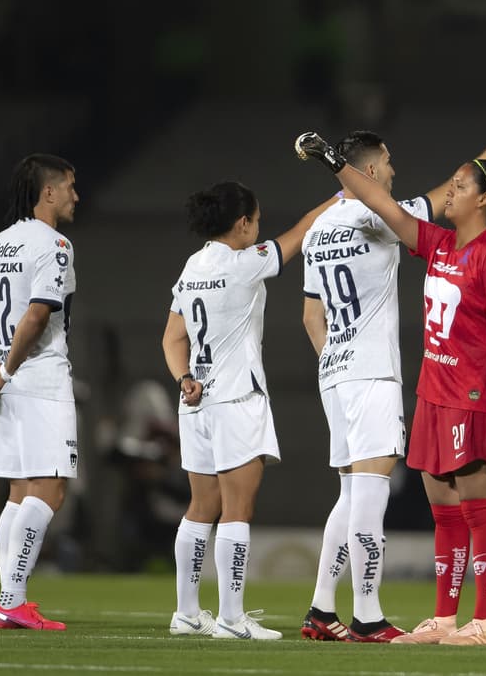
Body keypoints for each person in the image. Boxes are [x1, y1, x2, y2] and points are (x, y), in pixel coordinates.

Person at [298, 118, 486, 643]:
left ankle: (327, 610)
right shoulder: (412, 231)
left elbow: (312, 318)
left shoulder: (322, 229)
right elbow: (402, 200)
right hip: (384, 375)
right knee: (380, 499)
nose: (447, 189)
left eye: (462, 187)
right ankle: (371, 615)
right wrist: (335, 160)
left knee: (355, 496)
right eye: (389, 165)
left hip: (351, 373)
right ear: (373, 170)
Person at [160, 181, 330, 640]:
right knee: (237, 509)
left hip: (195, 402)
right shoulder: (243, 264)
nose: (260, 229)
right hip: (237, 398)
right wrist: (343, 193)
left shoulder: (193, 265)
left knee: (200, 507)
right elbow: (301, 233)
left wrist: (183, 379)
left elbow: (171, 338)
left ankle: (187, 612)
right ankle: (232, 618)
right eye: (256, 220)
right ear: (242, 224)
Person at [0, 154, 81, 631]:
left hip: (4, 386)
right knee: (50, 490)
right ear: (48, 192)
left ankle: (11, 600)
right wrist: (8, 370)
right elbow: (37, 314)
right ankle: (11, 600)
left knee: (18, 494)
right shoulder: (53, 244)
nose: (76, 195)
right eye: (70, 186)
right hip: (37, 379)